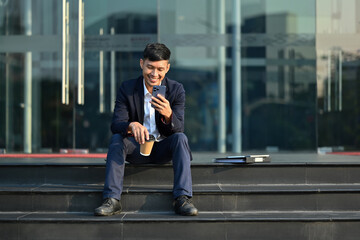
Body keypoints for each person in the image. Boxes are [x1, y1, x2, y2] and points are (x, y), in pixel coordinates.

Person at [94, 43, 198, 216]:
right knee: (116, 139)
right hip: (137, 149)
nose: (154, 74)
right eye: (150, 67)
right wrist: (131, 125)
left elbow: (179, 128)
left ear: (167, 68)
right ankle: (112, 199)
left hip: (163, 148)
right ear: (142, 63)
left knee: (181, 139)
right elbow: (116, 124)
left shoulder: (176, 90)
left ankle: (182, 198)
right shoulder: (127, 89)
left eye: (160, 69)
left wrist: (168, 115)